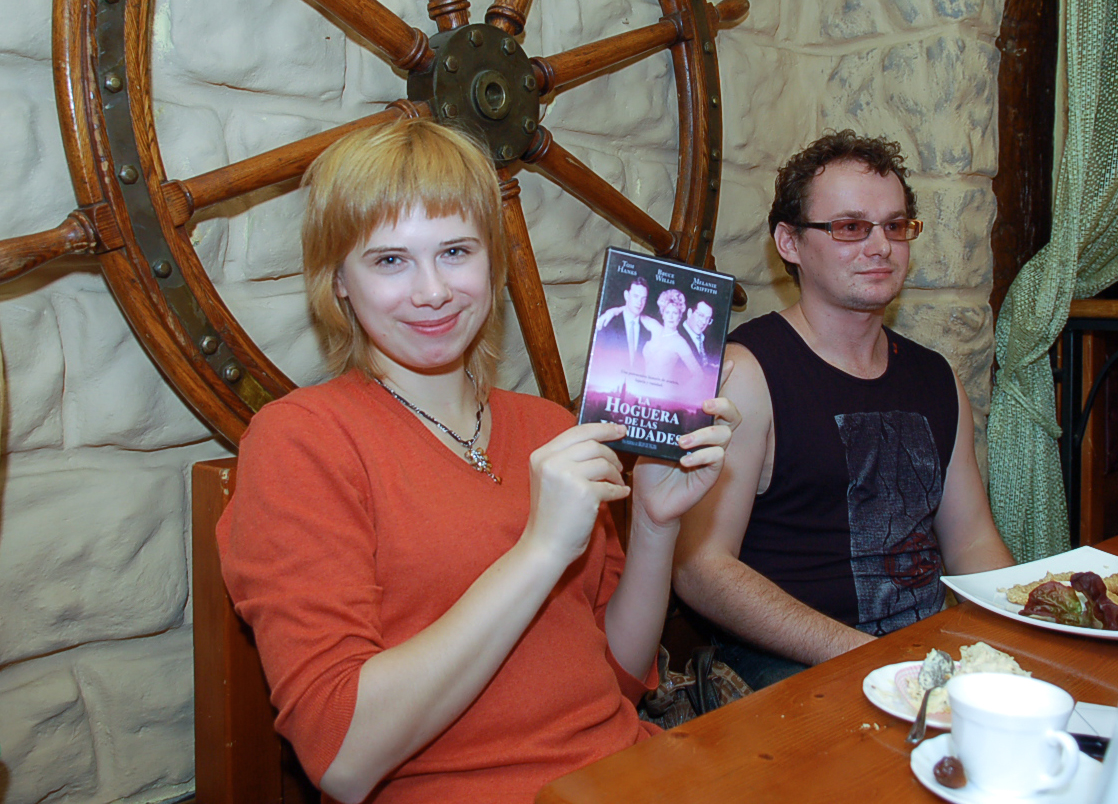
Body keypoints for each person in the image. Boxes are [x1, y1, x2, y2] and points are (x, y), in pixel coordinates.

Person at [216, 118, 738, 804]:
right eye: (390, 260)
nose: (432, 290)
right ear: (339, 280)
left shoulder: (548, 426)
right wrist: (540, 549)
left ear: (492, 259)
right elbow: (342, 757)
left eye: (456, 251)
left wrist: (655, 521)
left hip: (621, 775)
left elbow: (614, 677)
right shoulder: (301, 440)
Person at [672, 129, 1013, 690]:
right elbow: (700, 568)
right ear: (789, 242)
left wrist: (1021, 635)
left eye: (895, 226)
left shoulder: (937, 377)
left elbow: (973, 541)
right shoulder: (746, 373)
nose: (881, 246)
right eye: (851, 227)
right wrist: (871, 659)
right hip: (792, 671)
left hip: (922, 659)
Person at [594, 275, 652, 368]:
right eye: (636, 296)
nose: (639, 302)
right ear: (626, 295)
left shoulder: (648, 332)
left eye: (643, 299)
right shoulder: (608, 323)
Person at [679, 299, 718, 369]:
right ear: (689, 313)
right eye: (701, 315)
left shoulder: (708, 340)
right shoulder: (677, 336)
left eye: (708, 319)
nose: (704, 322)